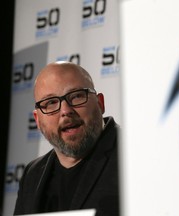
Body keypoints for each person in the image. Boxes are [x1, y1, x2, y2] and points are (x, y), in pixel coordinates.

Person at [13, 61, 120, 216]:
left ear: (100, 103)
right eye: (50, 103)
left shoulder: (134, 154)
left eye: (76, 96)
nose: (65, 111)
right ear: (37, 120)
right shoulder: (32, 174)